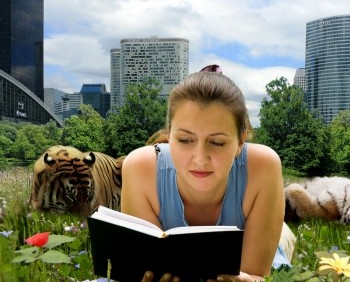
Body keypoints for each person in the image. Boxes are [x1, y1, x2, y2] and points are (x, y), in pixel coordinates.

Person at [121, 65, 288, 282]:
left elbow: (255, 274)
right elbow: (144, 270)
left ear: (240, 141)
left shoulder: (264, 166)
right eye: (185, 140)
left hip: (268, 234)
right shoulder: (139, 168)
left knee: (283, 241)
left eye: (217, 142)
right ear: (169, 135)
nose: (200, 159)